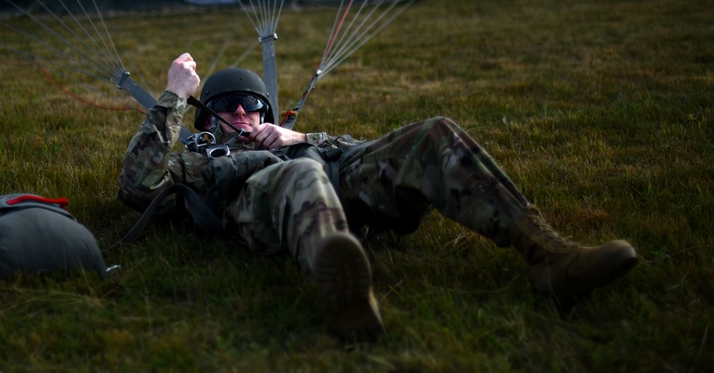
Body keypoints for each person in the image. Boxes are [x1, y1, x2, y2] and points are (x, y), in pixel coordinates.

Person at [118, 53, 638, 341]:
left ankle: (549, 254)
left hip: (332, 178)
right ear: (207, 121)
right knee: (301, 179)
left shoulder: (300, 139)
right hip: (263, 199)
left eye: (252, 106)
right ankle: (347, 289)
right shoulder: (203, 159)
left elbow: (361, 151)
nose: (241, 114)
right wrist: (175, 97)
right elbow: (138, 185)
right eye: (226, 107)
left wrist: (300, 139)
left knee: (432, 132)